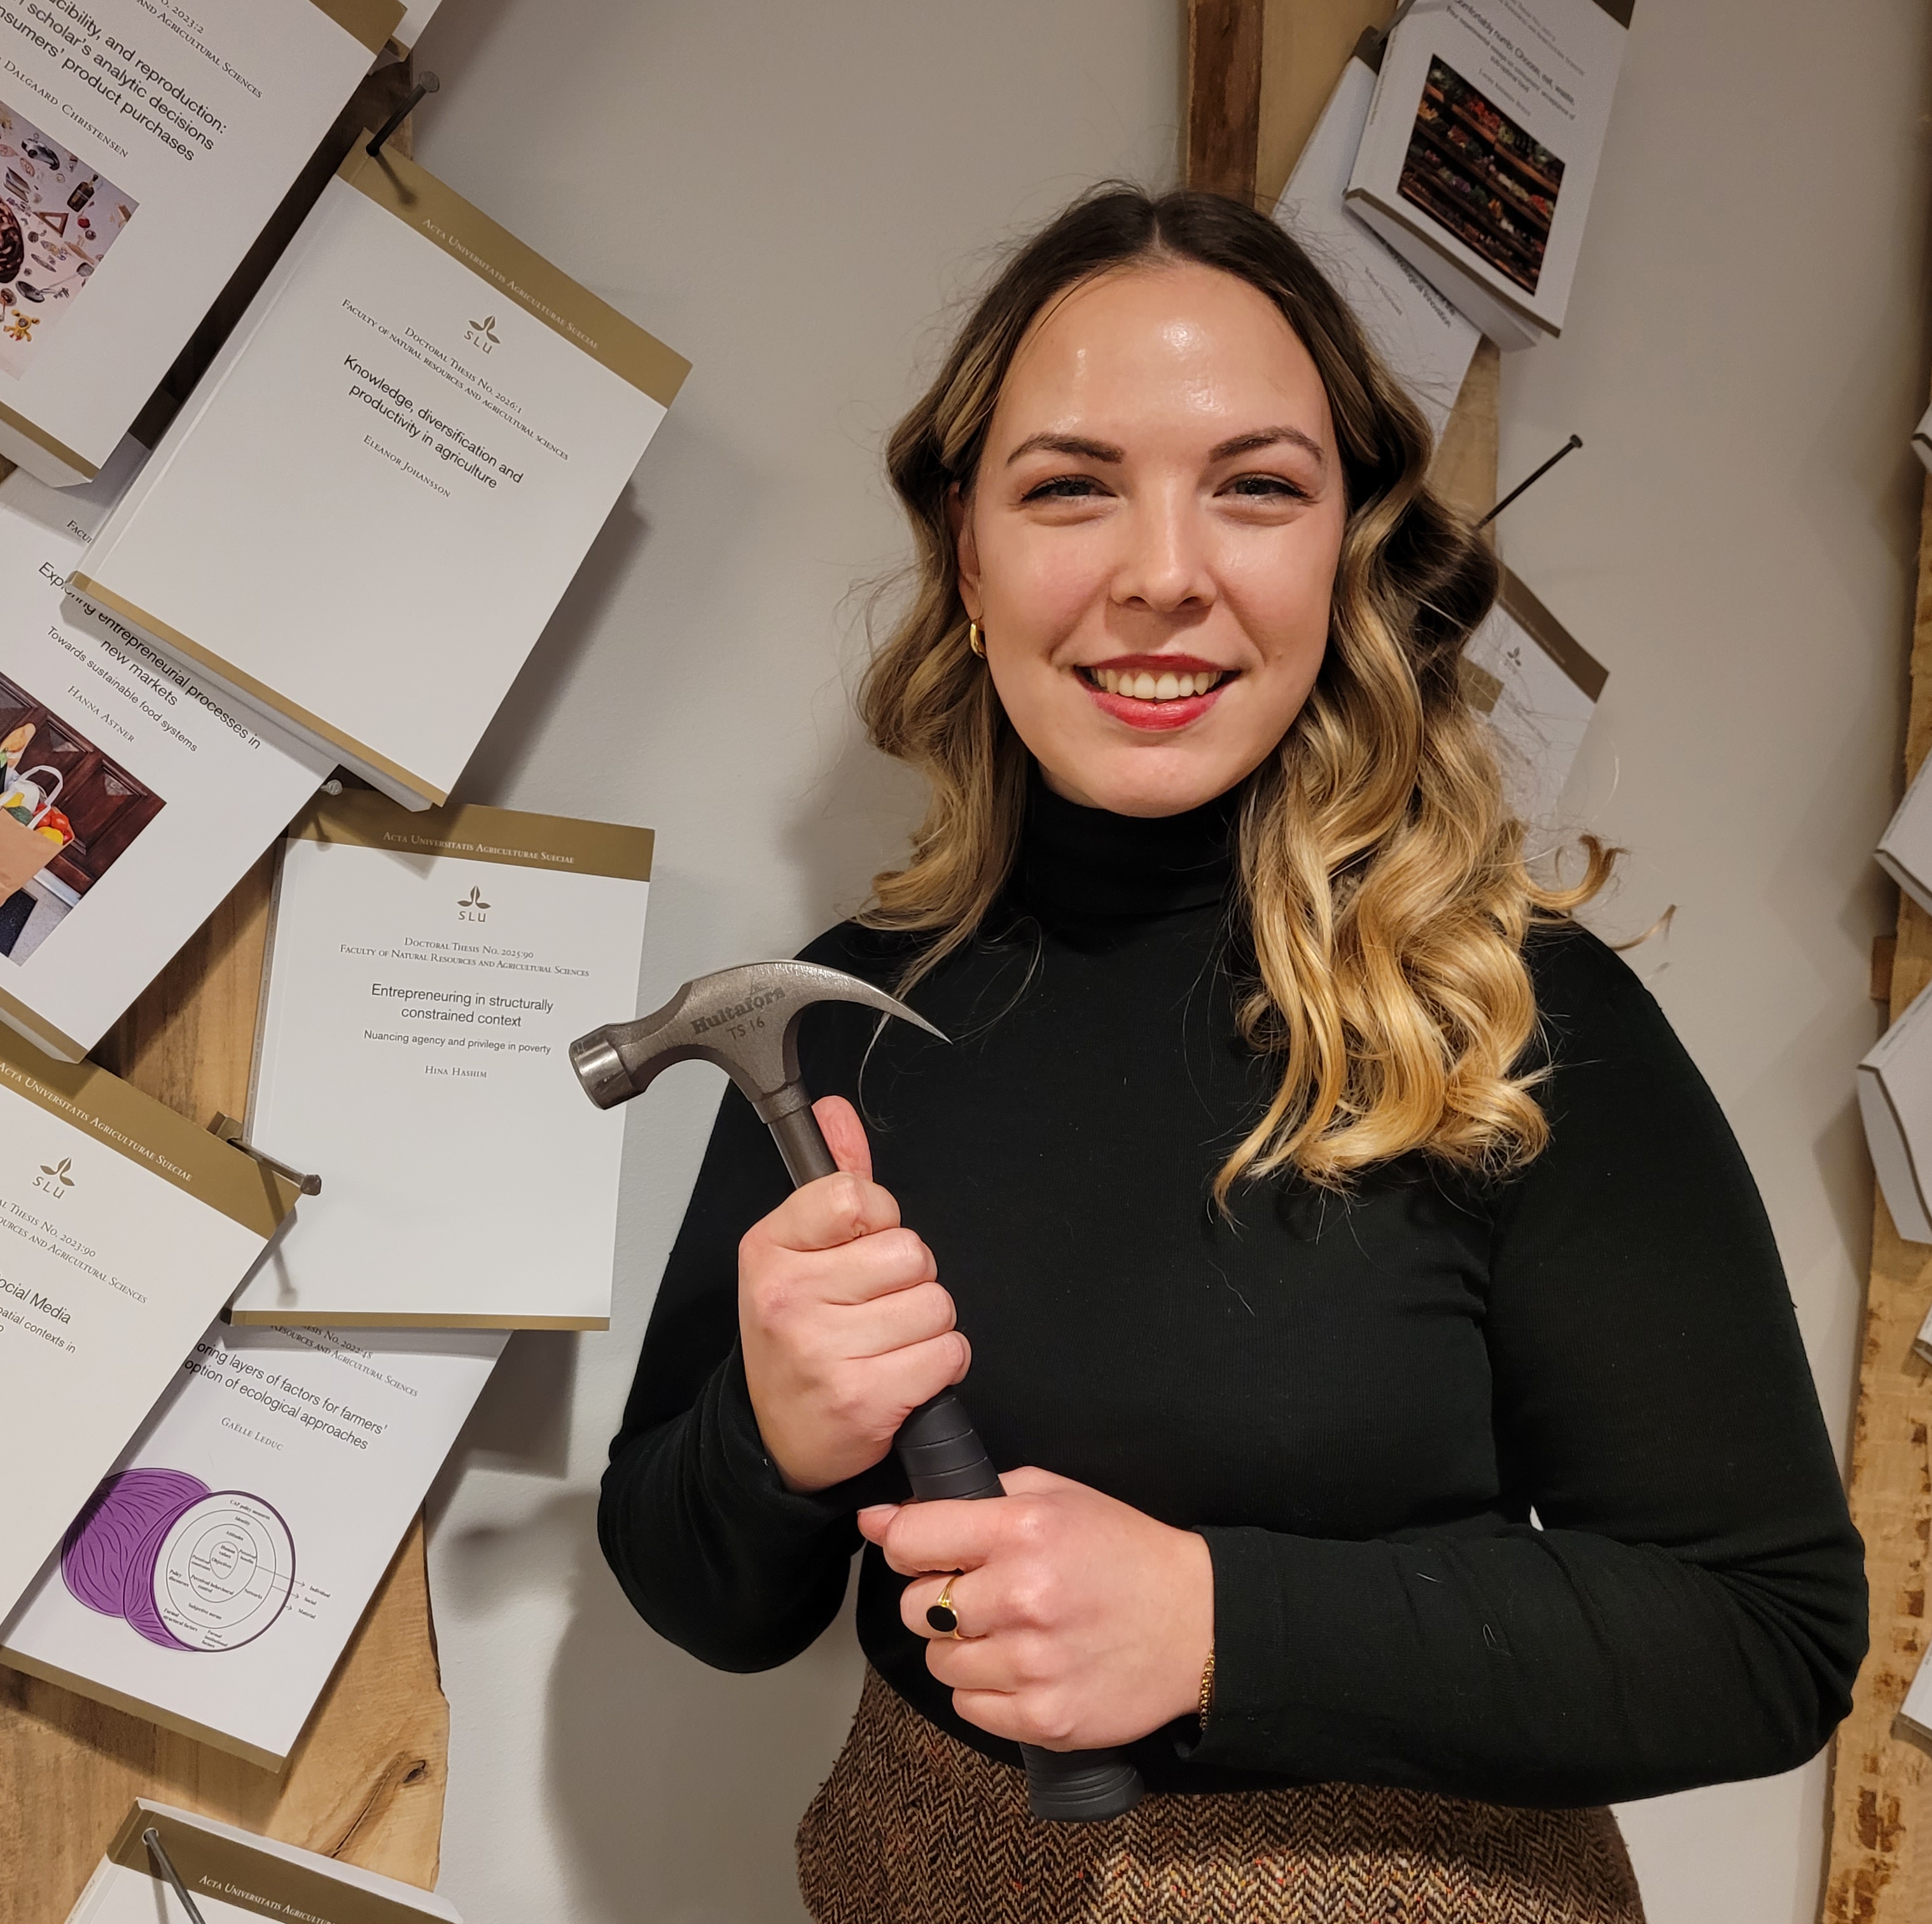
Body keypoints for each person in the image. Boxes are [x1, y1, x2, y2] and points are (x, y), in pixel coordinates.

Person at [599, 185, 1866, 1924]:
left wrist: (1216, 1628)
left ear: (1346, 552)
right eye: (1070, 487)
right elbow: (705, 1599)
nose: (1163, 574)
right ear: (969, 559)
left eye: (1255, 488)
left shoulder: (1513, 1023)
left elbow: (1765, 1638)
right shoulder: (839, 1030)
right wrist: (772, 1434)